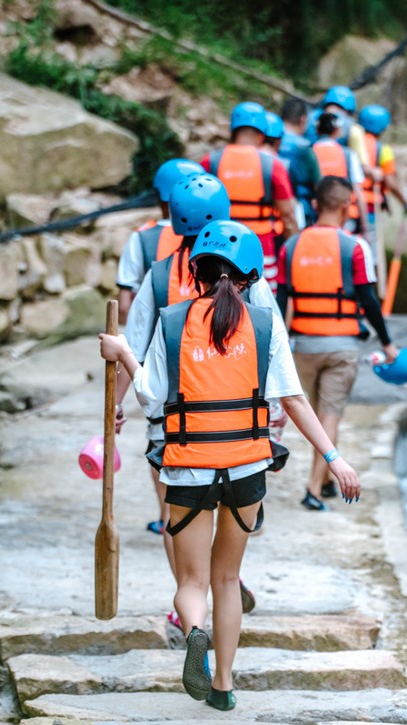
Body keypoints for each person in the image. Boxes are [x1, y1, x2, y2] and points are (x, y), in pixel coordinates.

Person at [100, 220, 361, 711]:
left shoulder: (174, 321)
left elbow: (152, 398)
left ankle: (193, 629)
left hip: (187, 468)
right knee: (227, 581)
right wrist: (334, 458)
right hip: (246, 470)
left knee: (193, 583)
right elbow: (296, 401)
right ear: (250, 277)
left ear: (195, 271)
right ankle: (222, 686)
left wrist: (123, 356)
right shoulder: (264, 325)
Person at [117, 172, 273, 615]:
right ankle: (226, 576)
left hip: (171, 426)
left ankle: (187, 600)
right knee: (231, 511)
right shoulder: (247, 275)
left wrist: (114, 405)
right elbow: (270, 340)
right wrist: (274, 407)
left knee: (175, 515)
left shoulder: (159, 274)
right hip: (240, 424)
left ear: (170, 214)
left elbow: (134, 339)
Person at [277, 176, 397, 511]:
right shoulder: (355, 246)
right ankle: (314, 488)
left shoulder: (291, 246)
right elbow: (369, 301)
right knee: (329, 417)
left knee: (314, 415)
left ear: (314, 205)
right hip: (341, 347)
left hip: (302, 345)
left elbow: (281, 299)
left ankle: (326, 481)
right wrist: (387, 343)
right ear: (347, 207)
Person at [202, 102, 300, 289]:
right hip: (261, 247)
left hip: (218, 247)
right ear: (262, 134)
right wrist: (295, 252)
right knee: (263, 304)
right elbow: (288, 216)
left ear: (233, 129)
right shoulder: (273, 165)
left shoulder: (211, 161)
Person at [115, 158, 204, 324]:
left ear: (157, 196)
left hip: (159, 334)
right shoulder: (213, 234)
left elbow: (124, 305)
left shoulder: (142, 237)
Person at [311, 113, 367, 236]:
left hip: (314, 218)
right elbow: (359, 193)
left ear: (317, 130)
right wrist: (365, 228)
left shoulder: (309, 152)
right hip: (345, 221)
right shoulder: (348, 154)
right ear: (337, 130)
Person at [356, 104, 407, 220]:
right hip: (369, 206)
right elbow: (390, 181)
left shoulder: (351, 144)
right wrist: (405, 202)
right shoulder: (383, 150)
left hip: (348, 203)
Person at [278, 98, 320, 226]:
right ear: (303, 119)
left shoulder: (268, 141)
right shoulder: (304, 147)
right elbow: (317, 182)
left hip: (273, 208)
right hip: (300, 210)